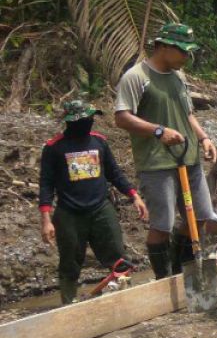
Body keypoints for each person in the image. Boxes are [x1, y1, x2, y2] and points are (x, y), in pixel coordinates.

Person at [113, 22, 217, 279]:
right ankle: (163, 277)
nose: (187, 58)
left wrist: (204, 139)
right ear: (164, 47)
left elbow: (187, 113)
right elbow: (122, 117)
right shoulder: (137, 77)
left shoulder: (179, 77)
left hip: (188, 159)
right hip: (157, 163)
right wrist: (159, 131)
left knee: (201, 216)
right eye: (183, 51)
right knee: (163, 225)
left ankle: (184, 271)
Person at [38, 100, 147, 303]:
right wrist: (46, 219)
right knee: (69, 263)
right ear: (72, 122)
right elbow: (46, 184)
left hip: (100, 208)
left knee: (118, 257)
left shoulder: (99, 142)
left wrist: (134, 195)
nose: (89, 122)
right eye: (86, 119)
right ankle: (68, 303)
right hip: (69, 212)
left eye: (91, 118)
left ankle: (126, 299)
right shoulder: (54, 148)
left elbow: (114, 173)